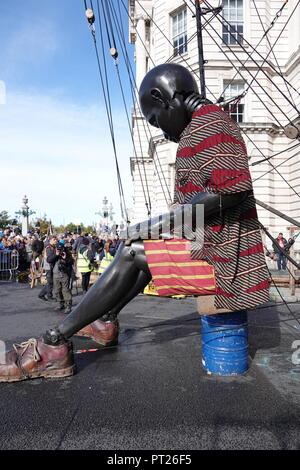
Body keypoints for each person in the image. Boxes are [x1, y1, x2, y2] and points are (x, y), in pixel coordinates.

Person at [0, 63, 270, 382]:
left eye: (156, 118)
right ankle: (106, 319)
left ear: (163, 97)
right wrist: (157, 227)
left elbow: (229, 192)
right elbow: (204, 206)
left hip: (227, 266)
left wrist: (152, 225)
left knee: (132, 252)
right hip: (219, 252)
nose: (162, 131)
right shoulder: (203, 125)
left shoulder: (210, 124)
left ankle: (54, 343)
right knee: (141, 248)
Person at [48, 239, 73, 314]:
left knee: (66, 291)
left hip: (64, 275)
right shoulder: (54, 252)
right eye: (58, 248)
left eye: (60, 249)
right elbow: (48, 260)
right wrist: (56, 254)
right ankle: (61, 304)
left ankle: (68, 306)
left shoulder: (67, 252)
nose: (59, 250)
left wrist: (66, 258)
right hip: (55, 275)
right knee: (57, 291)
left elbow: (71, 262)